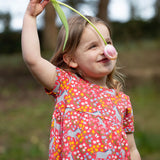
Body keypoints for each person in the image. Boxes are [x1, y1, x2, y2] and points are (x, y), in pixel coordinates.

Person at [21, 0, 141, 159]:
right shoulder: (66, 85)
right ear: (71, 60)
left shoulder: (122, 100)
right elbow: (33, 59)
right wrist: (30, 17)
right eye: (93, 46)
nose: (105, 50)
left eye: (108, 42)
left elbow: (131, 149)